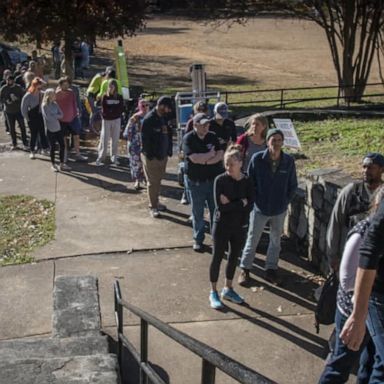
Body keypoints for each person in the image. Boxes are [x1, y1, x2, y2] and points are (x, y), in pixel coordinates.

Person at [318, 187, 384, 383]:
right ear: (377, 206)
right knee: (341, 362)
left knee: (371, 360)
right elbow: (346, 280)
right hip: (352, 307)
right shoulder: (362, 233)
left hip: (366, 307)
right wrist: (358, 313)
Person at [238, 128, 298, 285]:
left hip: (279, 209)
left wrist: (285, 201)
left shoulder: (288, 161)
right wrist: (255, 200)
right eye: (273, 140)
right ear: (267, 142)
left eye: (279, 140)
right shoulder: (258, 159)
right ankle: (245, 269)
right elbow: (250, 182)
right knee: (253, 239)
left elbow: (293, 185)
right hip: (260, 208)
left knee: (275, 241)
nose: (276, 143)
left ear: (283, 142)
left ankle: (271, 269)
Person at [340, 197, 384, 383]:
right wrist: (358, 316)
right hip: (379, 295)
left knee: (374, 355)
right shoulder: (364, 230)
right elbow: (369, 248)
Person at [209, 144, 254, 309]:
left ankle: (228, 288)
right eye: (226, 164)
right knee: (217, 257)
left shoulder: (248, 181)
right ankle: (213, 291)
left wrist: (233, 203)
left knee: (234, 257)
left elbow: (250, 205)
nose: (228, 167)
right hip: (222, 225)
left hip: (239, 225)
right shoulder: (220, 180)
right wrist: (240, 203)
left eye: (231, 164)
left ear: (240, 163)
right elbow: (221, 207)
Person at [326, 153, 384, 272]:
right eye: (364, 167)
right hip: (348, 257)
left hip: (373, 262)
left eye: (371, 167)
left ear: (381, 169)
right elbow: (335, 223)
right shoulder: (350, 192)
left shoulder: (382, 195)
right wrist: (333, 256)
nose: (366, 171)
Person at [182, 113, 224, 251]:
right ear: (195, 125)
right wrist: (209, 155)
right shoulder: (188, 138)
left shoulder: (212, 136)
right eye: (203, 124)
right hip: (196, 182)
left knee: (215, 211)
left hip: (213, 181)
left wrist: (205, 160)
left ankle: (216, 238)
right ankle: (198, 239)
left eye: (208, 124)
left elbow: (220, 155)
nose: (207, 126)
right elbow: (193, 158)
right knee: (198, 212)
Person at [141, 96, 173, 218]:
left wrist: (168, 151)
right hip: (152, 157)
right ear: (161, 106)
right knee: (152, 182)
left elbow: (168, 134)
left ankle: (156, 202)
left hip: (163, 155)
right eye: (167, 108)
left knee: (158, 181)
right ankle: (153, 206)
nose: (169, 110)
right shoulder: (149, 119)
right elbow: (145, 140)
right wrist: (150, 155)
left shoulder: (164, 118)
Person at [55, 77, 87, 163]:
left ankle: (78, 154)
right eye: (64, 84)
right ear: (60, 85)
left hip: (73, 118)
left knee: (76, 136)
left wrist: (77, 112)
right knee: (64, 138)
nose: (66, 86)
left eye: (67, 84)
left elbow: (74, 103)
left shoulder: (71, 92)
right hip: (62, 120)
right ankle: (65, 155)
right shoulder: (56, 94)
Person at [41, 88, 70, 172]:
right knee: (52, 147)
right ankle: (53, 164)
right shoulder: (44, 105)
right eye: (53, 94)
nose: (55, 95)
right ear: (49, 95)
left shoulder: (55, 104)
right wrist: (55, 115)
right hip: (50, 129)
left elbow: (61, 115)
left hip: (58, 128)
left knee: (62, 145)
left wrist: (54, 115)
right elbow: (48, 118)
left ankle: (61, 164)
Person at [96, 79, 124, 166]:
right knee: (104, 139)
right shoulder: (105, 96)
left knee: (115, 139)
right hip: (107, 120)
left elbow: (120, 109)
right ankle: (101, 157)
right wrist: (112, 110)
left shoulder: (119, 97)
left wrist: (112, 110)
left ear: (115, 88)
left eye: (113, 86)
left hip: (116, 120)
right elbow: (104, 109)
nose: (111, 88)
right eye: (110, 86)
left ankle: (114, 157)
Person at [123, 99, 149, 190]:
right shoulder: (135, 117)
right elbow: (128, 131)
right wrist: (131, 143)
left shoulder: (151, 117)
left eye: (147, 105)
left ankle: (146, 179)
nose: (145, 107)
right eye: (143, 105)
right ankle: (137, 180)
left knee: (146, 163)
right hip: (135, 143)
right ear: (139, 107)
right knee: (136, 163)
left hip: (148, 143)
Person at [21, 77, 49, 159]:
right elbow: (23, 109)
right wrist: (27, 118)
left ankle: (44, 149)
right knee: (33, 134)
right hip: (31, 117)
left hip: (40, 116)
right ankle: (32, 151)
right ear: (35, 85)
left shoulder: (41, 93)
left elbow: (46, 87)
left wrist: (40, 80)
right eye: (38, 85)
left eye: (40, 85)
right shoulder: (28, 95)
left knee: (42, 133)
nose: (40, 87)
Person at [0, 74, 28, 150]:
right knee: (11, 128)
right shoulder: (4, 88)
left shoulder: (18, 88)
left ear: (13, 81)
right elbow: (1, 98)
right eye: (7, 80)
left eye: (10, 80)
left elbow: (23, 98)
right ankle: (14, 143)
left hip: (18, 110)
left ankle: (25, 143)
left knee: (22, 127)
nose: (9, 82)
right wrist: (5, 101)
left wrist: (17, 99)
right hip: (9, 111)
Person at [86, 67, 111, 133]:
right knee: (94, 112)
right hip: (91, 95)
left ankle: (94, 127)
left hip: (94, 95)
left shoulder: (100, 76)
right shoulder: (101, 77)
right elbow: (103, 89)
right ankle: (92, 128)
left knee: (96, 112)